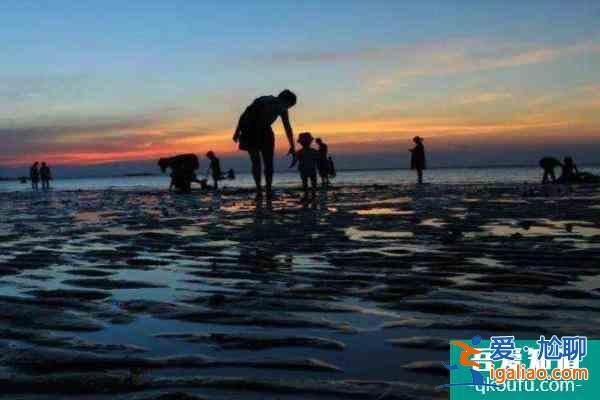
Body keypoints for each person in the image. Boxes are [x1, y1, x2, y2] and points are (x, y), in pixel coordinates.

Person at [233, 89, 297, 201]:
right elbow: (245, 115)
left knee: (264, 163)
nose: (286, 109)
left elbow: (287, 127)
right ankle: (261, 191)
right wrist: (237, 132)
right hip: (251, 132)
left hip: (261, 132)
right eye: (288, 106)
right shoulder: (265, 101)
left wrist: (292, 145)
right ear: (285, 101)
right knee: (260, 163)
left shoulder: (276, 106)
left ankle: (266, 191)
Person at [290, 132, 319, 203]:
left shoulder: (300, 152)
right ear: (310, 142)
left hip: (304, 169)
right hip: (311, 169)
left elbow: (295, 160)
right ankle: (313, 194)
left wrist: (292, 165)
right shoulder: (314, 151)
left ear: (301, 143)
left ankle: (307, 194)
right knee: (313, 182)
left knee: (305, 183)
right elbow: (318, 160)